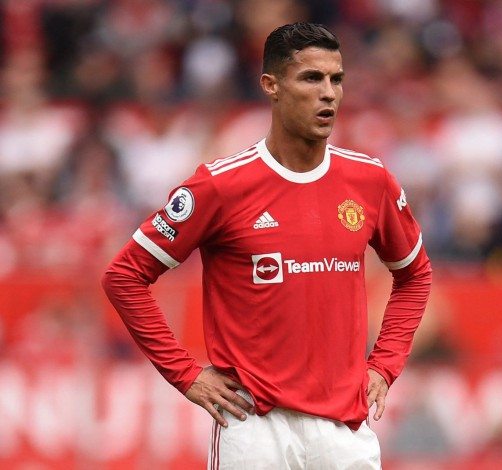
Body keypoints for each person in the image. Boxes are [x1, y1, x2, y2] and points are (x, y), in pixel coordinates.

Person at [101, 22, 432, 469]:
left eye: (336, 79)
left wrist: (384, 365)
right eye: (311, 78)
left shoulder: (370, 181)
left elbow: (414, 274)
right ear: (271, 85)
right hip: (255, 426)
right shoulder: (221, 186)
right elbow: (124, 276)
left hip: (345, 430)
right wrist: (185, 374)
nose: (329, 93)